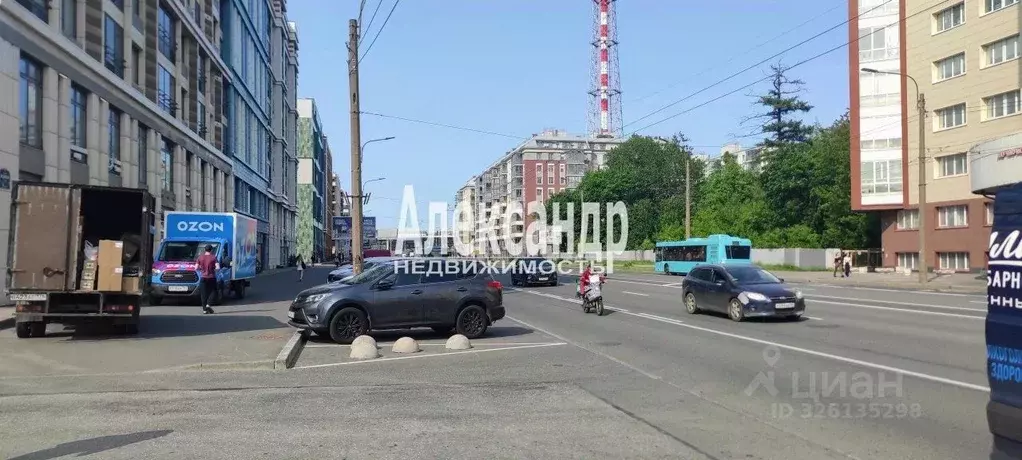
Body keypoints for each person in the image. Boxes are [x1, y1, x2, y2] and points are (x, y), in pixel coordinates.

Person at [196, 244, 219, 314]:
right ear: (211, 250)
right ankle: (208, 305)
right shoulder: (213, 257)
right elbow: (218, 267)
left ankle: (204, 310)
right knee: (214, 291)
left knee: (203, 294)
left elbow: (196, 268)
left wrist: (202, 269)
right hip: (212, 277)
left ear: (204, 250)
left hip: (203, 277)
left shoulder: (200, 257)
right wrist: (213, 270)